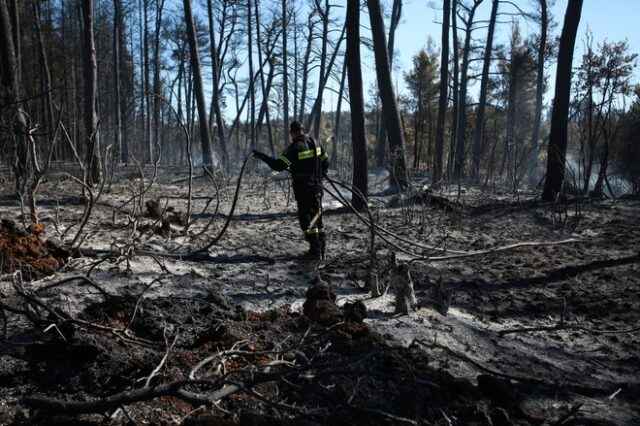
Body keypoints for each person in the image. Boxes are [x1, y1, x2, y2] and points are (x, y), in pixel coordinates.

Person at [253, 121, 329, 260]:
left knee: (306, 220)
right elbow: (326, 161)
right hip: (317, 188)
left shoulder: (295, 148)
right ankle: (321, 249)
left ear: (292, 133)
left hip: (304, 191)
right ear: (303, 130)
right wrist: (320, 175)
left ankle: (315, 251)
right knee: (317, 218)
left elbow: (278, 165)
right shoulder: (316, 142)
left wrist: (261, 156)